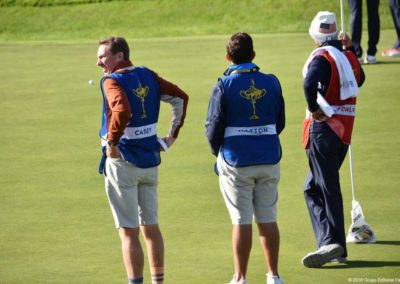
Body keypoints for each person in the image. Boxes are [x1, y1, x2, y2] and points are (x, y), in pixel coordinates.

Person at [96, 36, 189, 284]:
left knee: (129, 233)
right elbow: (181, 97)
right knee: (151, 227)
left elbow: (122, 110)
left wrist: (112, 144)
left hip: (123, 162)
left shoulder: (111, 80)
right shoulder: (148, 74)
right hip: (150, 163)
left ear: (119, 56)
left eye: (102, 56)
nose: (98, 63)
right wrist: (171, 136)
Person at [206, 32, 285, 284]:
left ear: (228, 56)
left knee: (241, 220)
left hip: (236, 160)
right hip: (269, 156)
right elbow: (279, 121)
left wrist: (216, 152)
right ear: (253, 55)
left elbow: (213, 126)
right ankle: (273, 276)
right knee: (268, 217)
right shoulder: (272, 81)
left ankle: (240, 278)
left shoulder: (223, 84)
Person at [301, 11, 365, 268]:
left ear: (316, 35)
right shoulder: (347, 56)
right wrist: (349, 47)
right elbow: (360, 78)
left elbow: (309, 82)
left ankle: (333, 243)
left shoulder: (322, 56)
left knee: (324, 188)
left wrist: (312, 106)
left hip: (324, 129)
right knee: (313, 187)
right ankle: (331, 241)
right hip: (343, 132)